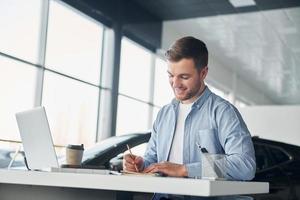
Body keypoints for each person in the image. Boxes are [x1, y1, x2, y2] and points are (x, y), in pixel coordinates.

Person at [123, 36, 256, 199]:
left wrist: (185, 169)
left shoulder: (223, 112)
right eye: (171, 75)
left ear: (203, 73)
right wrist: (140, 165)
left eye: (184, 77)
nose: (175, 83)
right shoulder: (164, 114)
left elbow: (245, 165)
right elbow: (154, 162)